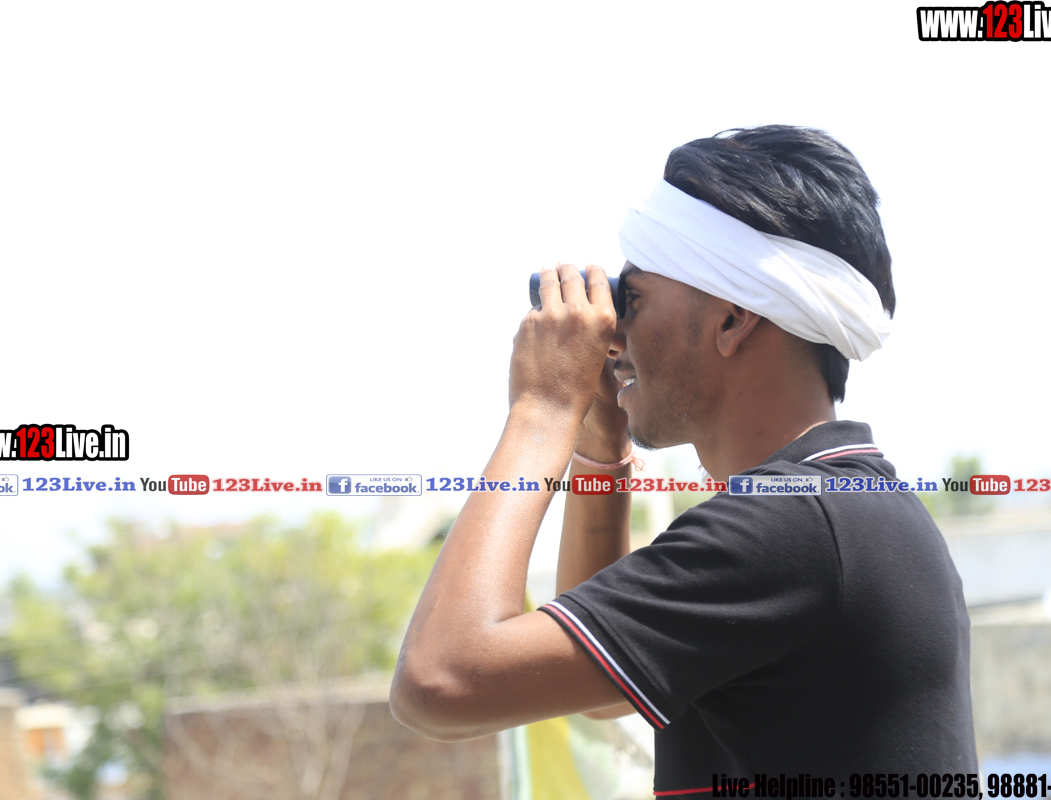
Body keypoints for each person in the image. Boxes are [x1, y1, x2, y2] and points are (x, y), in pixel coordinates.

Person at [390, 125, 977, 793]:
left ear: (732, 317)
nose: (614, 335)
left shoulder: (789, 531)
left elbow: (439, 679)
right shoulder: (837, 511)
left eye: (633, 299)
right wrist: (598, 449)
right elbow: (599, 695)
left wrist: (542, 409)